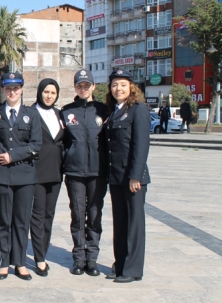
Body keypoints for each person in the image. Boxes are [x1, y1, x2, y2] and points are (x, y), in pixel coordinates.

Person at [0, 72, 42, 281]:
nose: (12, 92)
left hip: (25, 175)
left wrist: (13, 155)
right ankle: (4, 261)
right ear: (3, 89)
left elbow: (36, 144)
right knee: (4, 220)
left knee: (21, 221)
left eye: (15, 88)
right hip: (1, 174)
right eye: (8, 88)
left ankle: (19, 262)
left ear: (21, 89)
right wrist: (3, 156)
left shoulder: (32, 114)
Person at [59, 69, 109, 277]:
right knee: (78, 216)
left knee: (95, 215)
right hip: (75, 172)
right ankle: (79, 258)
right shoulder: (66, 111)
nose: (83, 88)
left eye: (87, 85)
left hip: (98, 172)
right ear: (75, 87)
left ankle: (93, 259)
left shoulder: (104, 111)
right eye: (80, 85)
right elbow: (62, 142)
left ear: (93, 87)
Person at [105, 69, 151, 283]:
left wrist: (136, 176)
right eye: (115, 84)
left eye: (123, 84)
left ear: (131, 87)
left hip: (133, 178)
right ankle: (120, 263)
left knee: (134, 223)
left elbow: (140, 145)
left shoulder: (138, 110)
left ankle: (133, 269)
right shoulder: (113, 111)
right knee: (120, 222)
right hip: (116, 177)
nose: (118, 89)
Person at [29, 78, 64, 277]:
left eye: (53, 92)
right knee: (38, 216)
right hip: (36, 172)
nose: (49, 96)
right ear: (40, 92)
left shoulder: (60, 114)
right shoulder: (31, 113)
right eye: (46, 92)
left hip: (56, 172)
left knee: (49, 216)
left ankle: (44, 251)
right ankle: (39, 258)